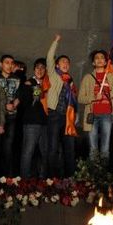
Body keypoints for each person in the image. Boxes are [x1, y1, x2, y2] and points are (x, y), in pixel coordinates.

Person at [78, 50, 113, 160]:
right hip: (92, 115)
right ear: (93, 63)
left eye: (102, 57)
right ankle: (94, 173)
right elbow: (80, 98)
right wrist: (94, 98)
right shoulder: (88, 77)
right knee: (93, 147)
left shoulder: (111, 76)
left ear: (105, 62)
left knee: (105, 147)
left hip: (107, 115)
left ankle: (103, 174)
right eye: (97, 58)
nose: (99, 59)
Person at [46, 35, 78, 177]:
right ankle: (50, 179)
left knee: (69, 149)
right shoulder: (53, 74)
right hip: (54, 115)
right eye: (62, 62)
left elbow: (74, 100)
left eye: (67, 62)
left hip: (68, 118)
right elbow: (49, 57)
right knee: (52, 148)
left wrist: (75, 116)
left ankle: (70, 178)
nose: (65, 64)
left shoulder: (70, 81)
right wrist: (55, 42)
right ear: (57, 65)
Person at [19, 58, 50, 178]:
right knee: (28, 151)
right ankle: (24, 180)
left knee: (45, 151)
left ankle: (43, 179)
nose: (40, 70)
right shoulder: (29, 83)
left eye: (43, 68)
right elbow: (25, 102)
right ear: (34, 69)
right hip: (31, 122)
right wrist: (35, 88)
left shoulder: (48, 84)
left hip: (46, 122)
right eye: (38, 67)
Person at [0, 54, 21, 176]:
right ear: (1, 64)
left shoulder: (17, 79)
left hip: (12, 116)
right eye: (7, 62)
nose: (10, 65)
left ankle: (6, 175)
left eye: (12, 63)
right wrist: (4, 106)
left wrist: (15, 103)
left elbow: (20, 94)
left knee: (8, 146)